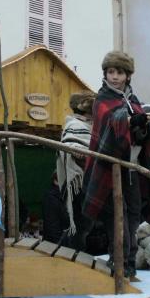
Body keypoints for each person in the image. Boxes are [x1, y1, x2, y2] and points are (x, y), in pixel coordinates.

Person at [83, 51, 150, 278]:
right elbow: (109, 124)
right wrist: (128, 121)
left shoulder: (133, 101)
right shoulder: (102, 100)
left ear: (128, 76)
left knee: (133, 215)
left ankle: (129, 263)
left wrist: (141, 127)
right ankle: (118, 263)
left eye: (119, 72)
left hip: (132, 169)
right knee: (116, 218)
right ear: (106, 74)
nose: (115, 76)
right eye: (111, 72)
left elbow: (139, 135)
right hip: (109, 171)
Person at [56, 92, 96, 251]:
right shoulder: (74, 125)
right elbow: (72, 147)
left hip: (89, 181)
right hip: (78, 183)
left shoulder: (92, 127)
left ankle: (68, 253)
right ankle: (72, 256)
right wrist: (80, 153)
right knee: (80, 226)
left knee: (85, 225)